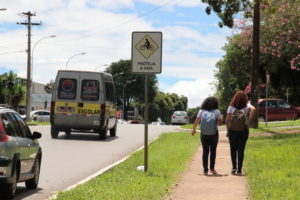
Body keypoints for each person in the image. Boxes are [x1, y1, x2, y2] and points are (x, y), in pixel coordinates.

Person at [226, 91, 255, 175]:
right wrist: (249, 123)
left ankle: (233, 167)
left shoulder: (231, 107)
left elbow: (227, 120)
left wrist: (228, 131)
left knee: (233, 149)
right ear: (245, 98)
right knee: (241, 150)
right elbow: (254, 109)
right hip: (243, 130)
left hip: (232, 131)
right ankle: (239, 170)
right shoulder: (247, 106)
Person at [192, 97, 223, 175]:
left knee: (205, 151)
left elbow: (196, 120)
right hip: (214, 134)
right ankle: (212, 169)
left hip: (204, 134)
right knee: (213, 151)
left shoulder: (201, 111)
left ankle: (205, 170)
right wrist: (221, 119)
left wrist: (194, 129)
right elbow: (219, 124)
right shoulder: (217, 112)